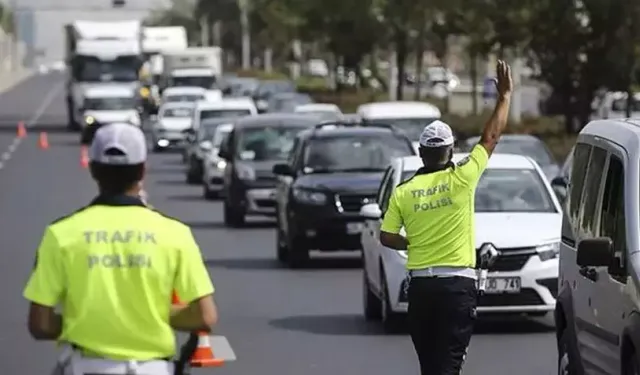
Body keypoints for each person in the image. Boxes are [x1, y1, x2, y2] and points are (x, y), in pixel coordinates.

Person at [23, 122, 218, 375]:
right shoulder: (175, 234)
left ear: (93, 170)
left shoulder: (60, 234)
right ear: (143, 171)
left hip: (86, 367)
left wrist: (85, 321)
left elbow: (40, 324)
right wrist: (148, 315)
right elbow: (205, 316)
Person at [379, 60, 513, 375]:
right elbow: (490, 137)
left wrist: (411, 241)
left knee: (431, 367)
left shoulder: (404, 191)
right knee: (448, 366)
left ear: (421, 153)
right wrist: (504, 98)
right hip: (457, 288)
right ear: (450, 152)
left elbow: (386, 236)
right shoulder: (464, 177)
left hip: (422, 291)